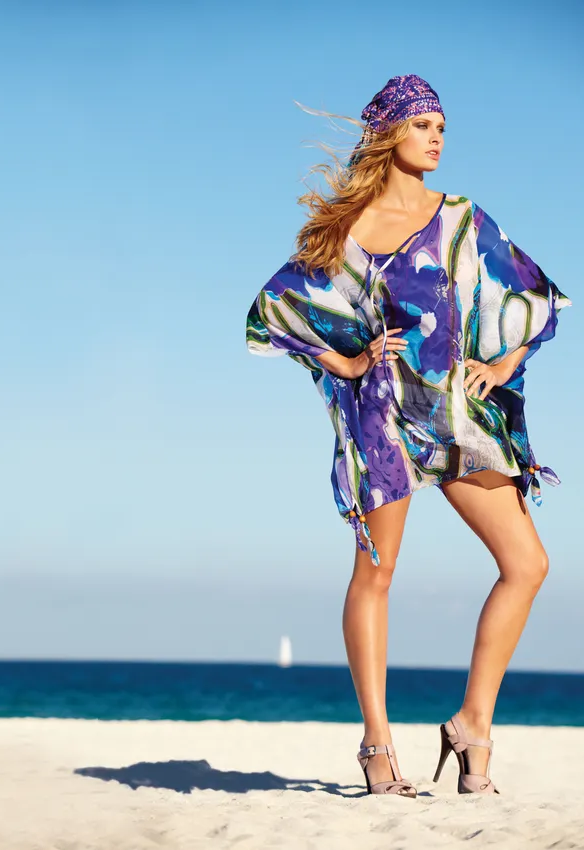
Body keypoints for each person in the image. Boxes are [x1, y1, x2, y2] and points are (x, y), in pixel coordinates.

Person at [244, 74, 571, 797]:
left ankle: (471, 724)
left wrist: (503, 360)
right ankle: (377, 746)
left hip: (452, 414)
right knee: (376, 573)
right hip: (382, 416)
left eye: (443, 127)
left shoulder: (461, 219)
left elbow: (534, 296)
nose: (437, 139)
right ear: (390, 133)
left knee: (528, 563)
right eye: (424, 125)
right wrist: (352, 360)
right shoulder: (346, 232)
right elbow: (277, 312)